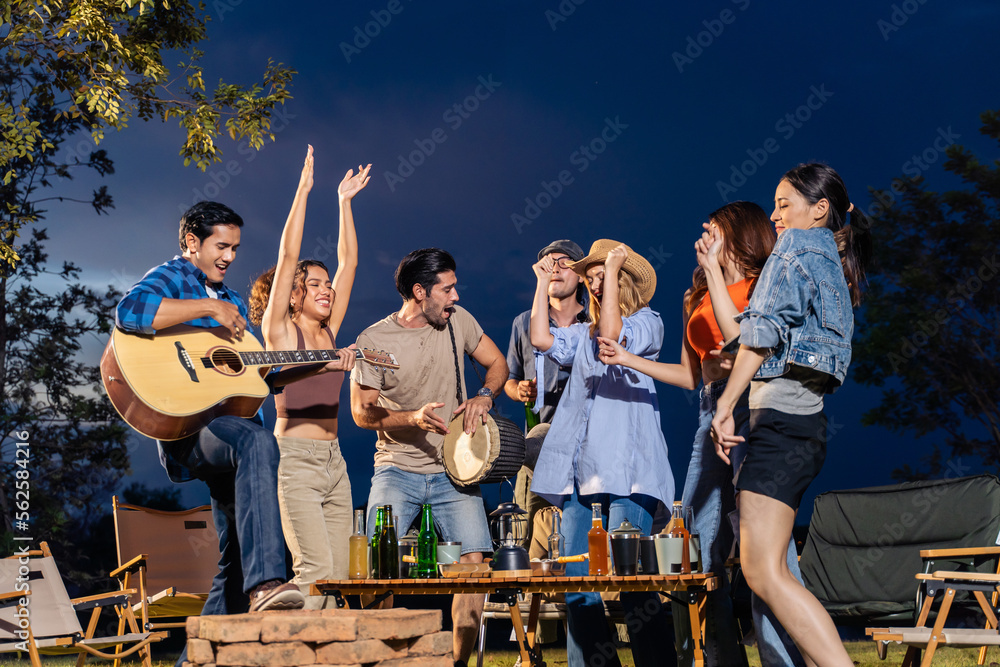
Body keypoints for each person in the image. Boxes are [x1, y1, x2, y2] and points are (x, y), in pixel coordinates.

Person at [598, 202, 806, 666]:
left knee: (766, 548)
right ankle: (720, 660)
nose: (704, 235)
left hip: (752, 410)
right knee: (693, 549)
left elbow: (744, 341)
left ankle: (789, 657)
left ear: (738, 233)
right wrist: (628, 359)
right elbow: (692, 375)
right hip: (708, 413)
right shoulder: (695, 295)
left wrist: (714, 270)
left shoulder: (764, 284)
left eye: (714, 228)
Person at [710, 164, 872, 667]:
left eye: (785, 204)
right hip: (802, 426)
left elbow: (759, 334)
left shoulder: (796, 248)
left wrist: (723, 406)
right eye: (775, 204)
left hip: (781, 424)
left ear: (818, 209)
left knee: (763, 572)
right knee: (767, 568)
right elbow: (752, 332)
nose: (776, 215)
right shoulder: (831, 263)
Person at [114, 203, 305, 629]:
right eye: (221, 246)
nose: (229, 257)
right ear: (191, 243)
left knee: (235, 559)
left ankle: (198, 657)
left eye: (235, 248)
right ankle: (268, 585)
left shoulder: (233, 301)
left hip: (231, 437)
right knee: (259, 440)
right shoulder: (175, 278)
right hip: (189, 427)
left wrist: (313, 364)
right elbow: (130, 311)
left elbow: (250, 377)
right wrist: (207, 308)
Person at [350, 247, 508, 667]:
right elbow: (362, 413)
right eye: (448, 289)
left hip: (453, 471)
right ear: (420, 291)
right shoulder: (374, 340)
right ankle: (383, 660)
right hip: (395, 467)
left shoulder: (460, 322)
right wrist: (412, 418)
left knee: (474, 567)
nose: (455, 296)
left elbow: (498, 363)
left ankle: (457, 663)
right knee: (377, 568)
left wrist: (484, 396)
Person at [529, 240, 675, 667]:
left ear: (622, 280)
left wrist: (610, 269)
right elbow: (541, 339)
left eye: (602, 279)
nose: (594, 287)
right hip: (581, 474)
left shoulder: (649, 323)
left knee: (633, 584)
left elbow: (614, 332)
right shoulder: (582, 335)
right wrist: (541, 284)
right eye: (591, 280)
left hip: (629, 473)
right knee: (577, 582)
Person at [247, 146, 370, 607]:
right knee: (315, 572)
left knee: (337, 580)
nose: (327, 288)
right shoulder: (283, 329)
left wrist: (343, 203)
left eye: (326, 283)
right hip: (294, 460)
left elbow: (350, 263)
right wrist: (304, 190)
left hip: (335, 462)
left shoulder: (329, 331)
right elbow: (288, 254)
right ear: (295, 295)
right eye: (314, 284)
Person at [504, 239, 588, 545]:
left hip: (585, 442)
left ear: (581, 275)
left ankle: (580, 590)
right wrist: (519, 391)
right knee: (529, 531)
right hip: (538, 441)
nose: (555, 269)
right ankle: (536, 591)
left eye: (564, 263)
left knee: (578, 528)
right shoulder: (523, 323)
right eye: (548, 263)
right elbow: (509, 379)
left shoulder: (595, 322)